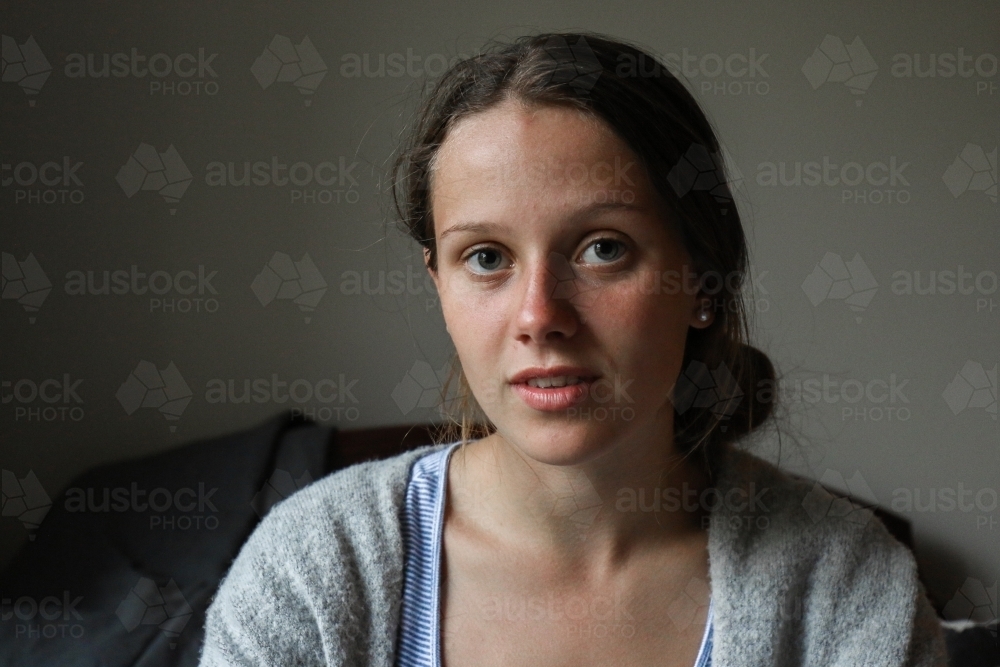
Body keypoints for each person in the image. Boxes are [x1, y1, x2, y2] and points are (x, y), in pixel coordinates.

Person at [199, 32, 947, 666]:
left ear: (703, 278)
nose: (540, 316)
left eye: (602, 248)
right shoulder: (310, 570)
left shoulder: (846, 587)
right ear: (439, 287)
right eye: (487, 257)